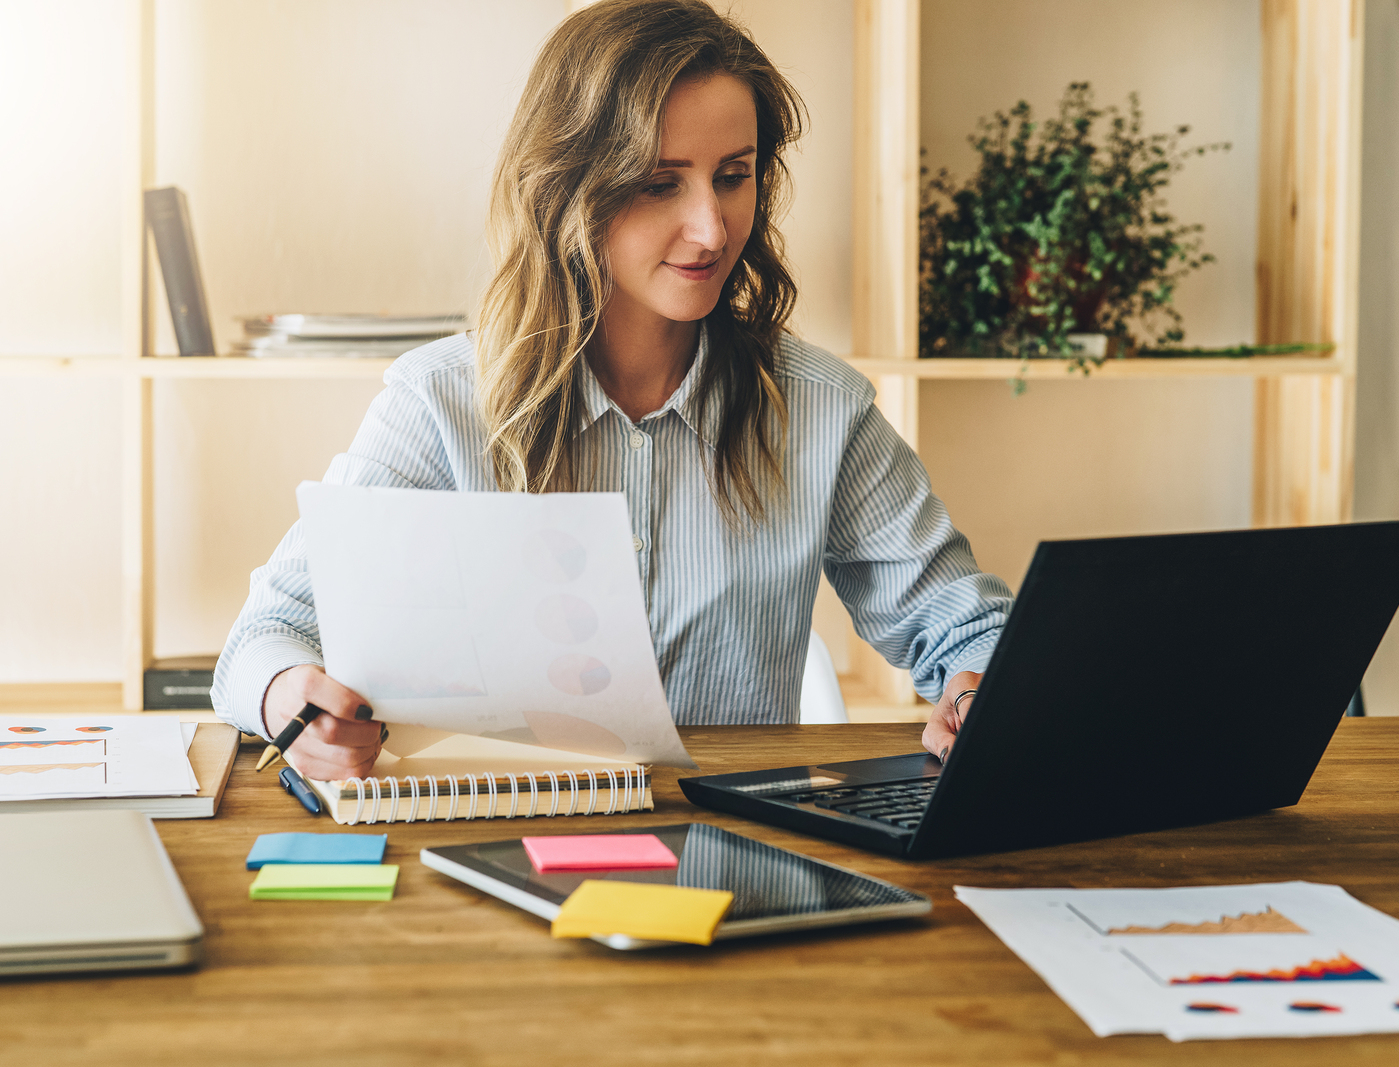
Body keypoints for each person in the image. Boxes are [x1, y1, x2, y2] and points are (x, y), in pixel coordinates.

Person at [210, 0, 1012, 782]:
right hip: (481, 848)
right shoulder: (439, 402)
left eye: (734, 177)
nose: (712, 227)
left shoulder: (821, 408)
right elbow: (264, 639)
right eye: (661, 183)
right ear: (569, 185)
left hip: (727, 854)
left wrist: (975, 689)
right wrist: (297, 705)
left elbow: (972, 628)